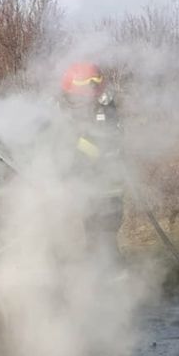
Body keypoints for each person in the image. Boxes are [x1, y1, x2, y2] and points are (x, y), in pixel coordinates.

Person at [59, 61, 124, 257]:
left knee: (105, 235)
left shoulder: (105, 111)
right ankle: (97, 274)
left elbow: (107, 141)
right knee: (90, 234)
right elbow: (73, 141)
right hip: (87, 187)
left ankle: (111, 275)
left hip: (107, 189)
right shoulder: (75, 113)